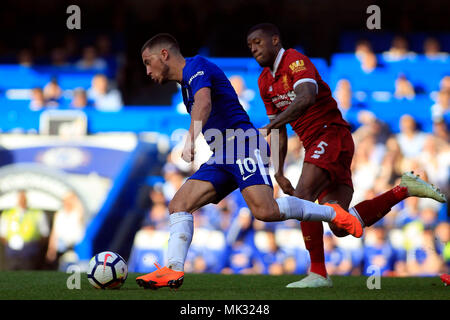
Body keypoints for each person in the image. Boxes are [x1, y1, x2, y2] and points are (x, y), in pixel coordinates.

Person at [135, 33, 365, 290]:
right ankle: (173, 270)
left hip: (242, 145)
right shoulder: (187, 82)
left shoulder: (196, 66)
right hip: (222, 154)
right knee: (179, 204)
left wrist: (190, 139)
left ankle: (333, 213)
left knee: (264, 211)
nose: (146, 70)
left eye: (147, 61)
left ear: (164, 54)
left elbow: (204, 103)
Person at [246, 23, 447, 288]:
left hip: (330, 135)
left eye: (258, 42)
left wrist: (270, 125)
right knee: (340, 225)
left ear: (275, 40)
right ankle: (403, 190)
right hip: (319, 144)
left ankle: (318, 273)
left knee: (303, 197)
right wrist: (279, 171)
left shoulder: (295, 61)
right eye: (250, 46)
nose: (254, 49)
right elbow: (279, 130)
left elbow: (306, 96)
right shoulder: (264, 81)